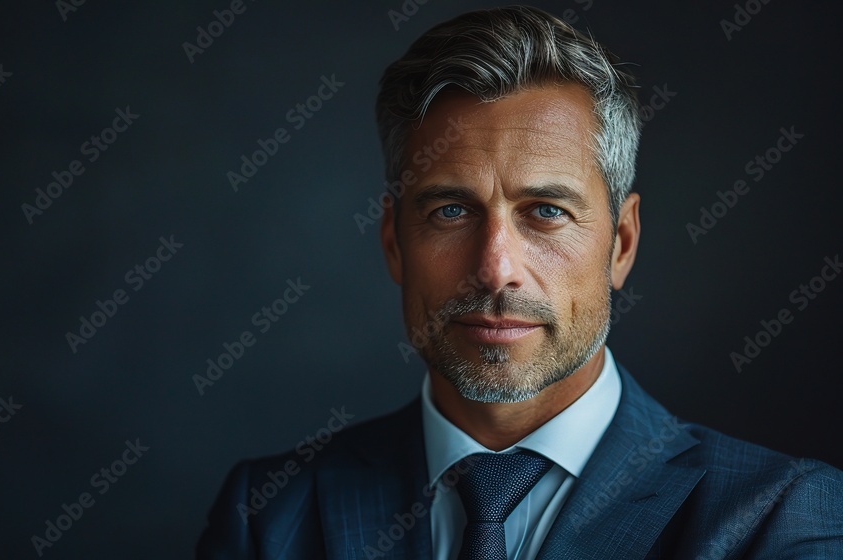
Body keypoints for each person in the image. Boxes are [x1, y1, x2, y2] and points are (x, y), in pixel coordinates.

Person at [197, 6, 843, 558]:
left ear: (621, 243)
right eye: (450, 210)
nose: (496, 268)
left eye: (546, 212)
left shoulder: (779, 515)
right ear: (394, 241)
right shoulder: (269, 515)